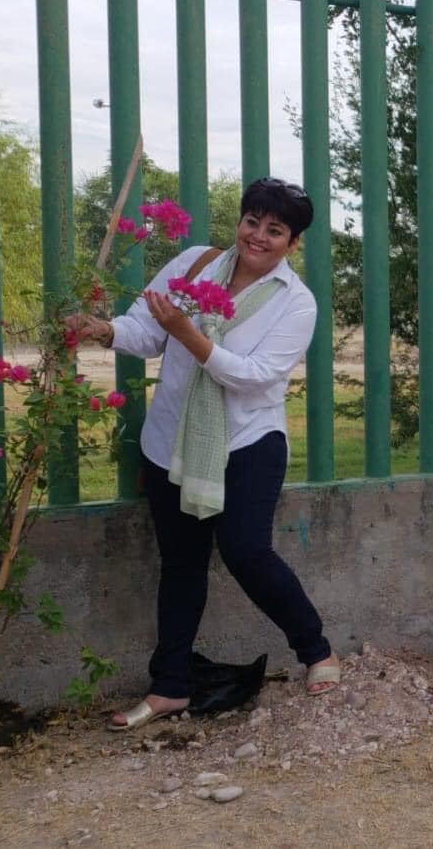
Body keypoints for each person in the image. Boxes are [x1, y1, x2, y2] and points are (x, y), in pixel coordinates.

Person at [69, 177, 342, 730]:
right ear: (239, 221)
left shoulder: (297, 304)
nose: (258, 237)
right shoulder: (195, 262)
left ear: (293, 243)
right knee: (181, 562)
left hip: (247, 439)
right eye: (251, 222)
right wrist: (102, 331)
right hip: (171, 437)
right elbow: (146, 331)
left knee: (245, 552)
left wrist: (188, 336)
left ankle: (317, 651)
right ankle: (170, 686)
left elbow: (254, 377)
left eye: (275, 230)